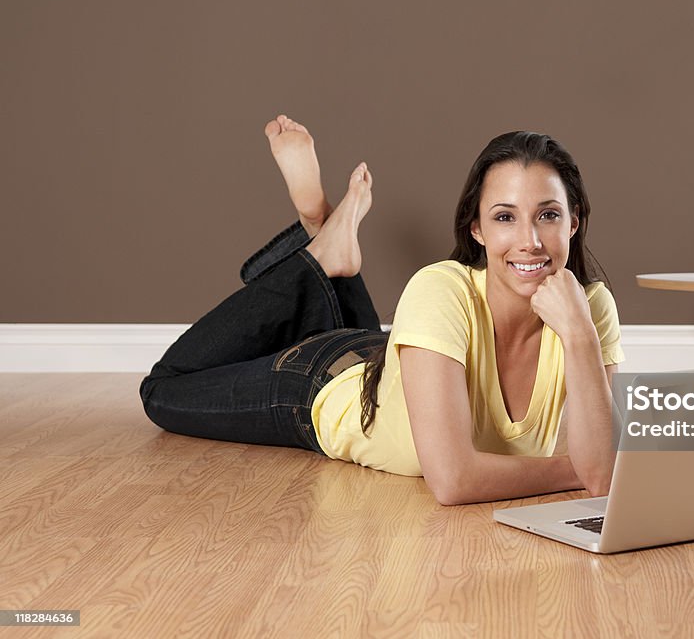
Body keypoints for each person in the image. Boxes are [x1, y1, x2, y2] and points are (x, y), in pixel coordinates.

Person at [140, 115, 624, 505]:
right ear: (476, 229)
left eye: (548, 214)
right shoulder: (440, 289)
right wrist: (575, 471)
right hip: (319, 384)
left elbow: (601, 469)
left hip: (394, 362)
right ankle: (321, 252)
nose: (530, 240)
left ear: (573, 223)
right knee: (161, 389)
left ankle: (325, 234)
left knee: (387, 360)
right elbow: (455, 480)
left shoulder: (591, 307)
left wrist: (580, 334)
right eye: (504, 217)